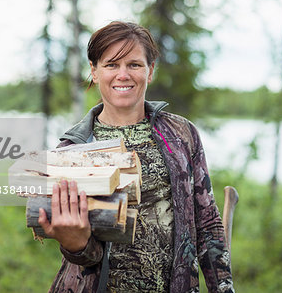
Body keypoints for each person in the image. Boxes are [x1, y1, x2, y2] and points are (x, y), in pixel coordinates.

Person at [38, 21, 234, 293]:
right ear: (94, 71)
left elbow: (208, 222)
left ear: (150, 71)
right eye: (111, 65)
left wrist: (223, 288)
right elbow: (85, 257)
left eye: (134, 64)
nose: (123, 74)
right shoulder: (73, 151)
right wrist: (76, 243)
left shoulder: (181, 134)